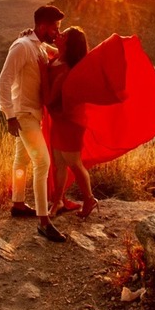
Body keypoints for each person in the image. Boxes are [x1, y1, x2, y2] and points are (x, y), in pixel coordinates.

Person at [0, 4, 68, 243]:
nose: (57, 32)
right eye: (55, 27)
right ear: (43, 26)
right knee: (42, 162)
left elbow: (58, 52)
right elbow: (3, 82)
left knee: (22, 160)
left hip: (32, 113)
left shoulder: (37, 44)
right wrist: (9, 115)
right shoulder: (22, 47)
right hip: (23, 114)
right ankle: (44, 221)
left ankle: (18, 203)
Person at [46, 26, 99, 219]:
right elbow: (50, 52)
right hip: (59, 119)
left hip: (70, 120)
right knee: (59, 163)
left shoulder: (67, 68)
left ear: (69, 44)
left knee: (73, 163)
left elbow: (50, 99)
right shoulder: (59, 58)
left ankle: (89, 199)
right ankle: (57, 202)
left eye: (64, 35)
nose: (59, 35)